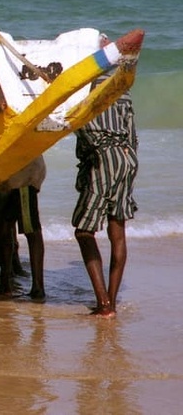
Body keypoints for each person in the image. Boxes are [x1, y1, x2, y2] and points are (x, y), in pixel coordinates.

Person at [72, 82, 138, 318]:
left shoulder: (81, 89)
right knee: (117, 232)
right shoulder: (122, 90)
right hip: (128, 158)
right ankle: (111, 302)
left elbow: (66, 121)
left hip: (103, 158)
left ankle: (104, 304)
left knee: (83, 232)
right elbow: (132, 134)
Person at [0, 156, 47, 300]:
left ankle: (37, 287)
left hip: (23, 175)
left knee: (29, 229)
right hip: (5, 173)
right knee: (3, 227)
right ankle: (6, 284)